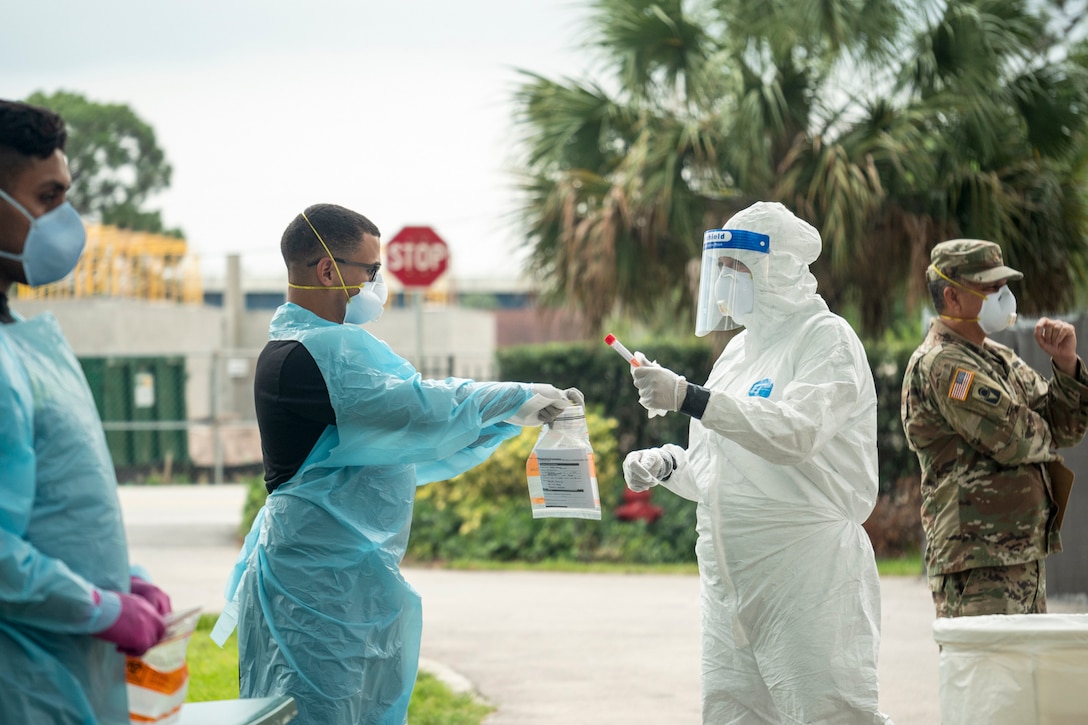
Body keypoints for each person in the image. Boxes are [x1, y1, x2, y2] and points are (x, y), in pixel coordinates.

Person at [212, 202, 582, 725]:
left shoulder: (322, 348)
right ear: (328, 270)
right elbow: (412, 409)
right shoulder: (308, 355)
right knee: (317, 711)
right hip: (314, 588)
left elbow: (403, 440)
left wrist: (508, 416)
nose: (377, 283)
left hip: (345, 577)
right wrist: (510, 398)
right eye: (370, 270)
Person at [622, 201, 890, 723]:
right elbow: (724, 473)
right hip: (729, 580)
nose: (725, 282)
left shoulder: (825, 338)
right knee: (731, 714)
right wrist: (669, 466)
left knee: (829, 712)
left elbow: (795, 434)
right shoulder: (739, 352)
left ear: (781, 269)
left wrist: (689, 397)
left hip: (806, 573)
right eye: (721, 269)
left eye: (737, 268)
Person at [0, 99, 172, 723]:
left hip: (71, 678)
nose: (64, 221)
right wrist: (99, 605)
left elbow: (59, 505)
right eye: (46, 198)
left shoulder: (26, 342)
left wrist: (121, 580)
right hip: (21, 683)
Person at [901, 239, 1088, 618]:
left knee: (1022, 677)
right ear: (952, 297)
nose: (1004, 297)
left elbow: (1066, 429)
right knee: (985, 676)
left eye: (1003, 286)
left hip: (1020, 557)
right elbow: (1014, 439)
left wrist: (1066, 366)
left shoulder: (998, 357)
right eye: (990, 288)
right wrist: (1038, 427)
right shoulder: (944, 364)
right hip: (977, 565)